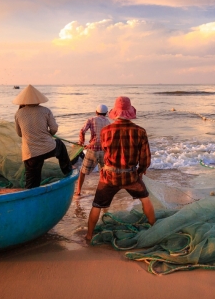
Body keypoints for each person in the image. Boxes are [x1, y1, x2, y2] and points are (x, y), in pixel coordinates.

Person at [85, 96, 155, 242]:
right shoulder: (140, 131)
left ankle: (89, 235)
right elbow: (145, 159)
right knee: (145, 199)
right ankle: (154, 229)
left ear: (115, 113)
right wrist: (140, 171)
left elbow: (104, 153)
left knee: (97, 205)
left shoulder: (105, 131)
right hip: (130, 175)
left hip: (109, 176)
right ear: (130, 112)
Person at [13, 85, 72, 189]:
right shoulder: (46, 110)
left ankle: (30, 199)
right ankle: (67, 171)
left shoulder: (18, 113)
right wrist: (48, 134)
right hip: (48, 148)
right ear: (38, 100)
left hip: (30, 153)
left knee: (31, 182)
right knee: (60, 145)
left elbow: (19, 133)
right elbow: (54, 128)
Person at [75, 104, 111, 196]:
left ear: (96, 112)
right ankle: (104, 190)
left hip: (92, 150)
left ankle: (78, 191)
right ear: (106, 113)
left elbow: (82, 131)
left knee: (83, 172)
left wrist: (81, 142)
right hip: (104, 151)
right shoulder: (108, 122)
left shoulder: (91, 119)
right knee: (103, 172)